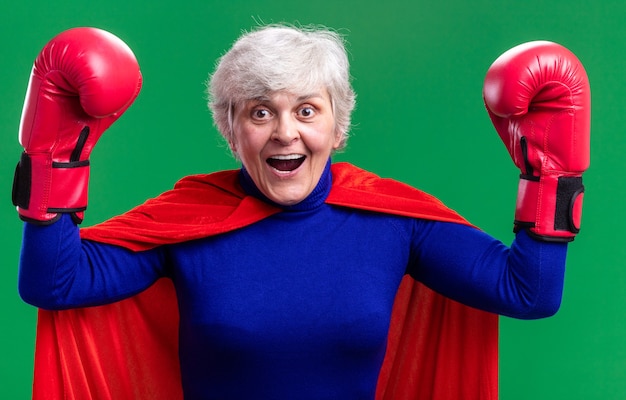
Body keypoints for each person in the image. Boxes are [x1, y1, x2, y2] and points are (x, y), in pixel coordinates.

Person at [14, 25, 590, 400]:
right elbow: (54, 282)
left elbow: (529, 294)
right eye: (260, 113)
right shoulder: (186, 222)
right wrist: (53, 158)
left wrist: (551, 174)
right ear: (230, 130)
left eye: (307, 111)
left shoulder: (394, 219)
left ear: (338, 127)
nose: (284, 133)